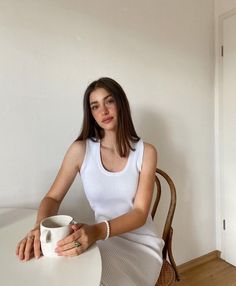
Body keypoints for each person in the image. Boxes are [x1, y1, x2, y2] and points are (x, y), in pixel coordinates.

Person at [16, 77, 164, 286]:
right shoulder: (81, 151)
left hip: (140, 244)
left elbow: (140, 213)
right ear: (91, 114)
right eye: (95, 106)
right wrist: (39, 227)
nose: (103, 110)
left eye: (109, 101)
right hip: (102, 240)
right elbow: (53, 197)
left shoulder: (146, 152)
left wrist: (97, 231)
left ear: (121, 103)